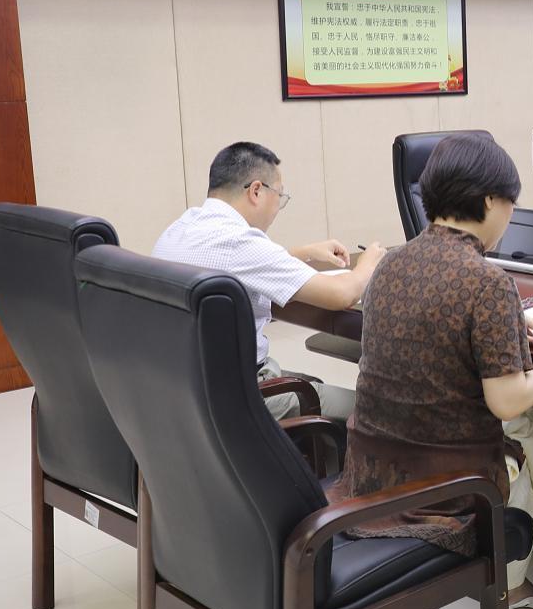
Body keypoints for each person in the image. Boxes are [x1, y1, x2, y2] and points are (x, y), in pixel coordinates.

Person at [330, 133, 533, 609]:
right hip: (442, 490)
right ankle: (514, 589)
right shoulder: (487, 281)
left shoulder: (390, 264)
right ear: (489, 201)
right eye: (510, 204)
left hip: (372, 470)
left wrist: (509, 321)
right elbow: (507, 400)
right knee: (515, 423)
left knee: (520, 421)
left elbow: (434, 323)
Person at [153, 141, 383, 422]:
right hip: (242, 396)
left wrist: (304, 252)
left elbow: (239, 265)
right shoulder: (239, 241)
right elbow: (342, 293)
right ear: (256, 191)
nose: (278, 206)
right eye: (280, 195)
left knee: (312, 383)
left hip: (187, 392)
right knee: (373, 411)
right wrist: (370, 262)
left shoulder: (182, 227)